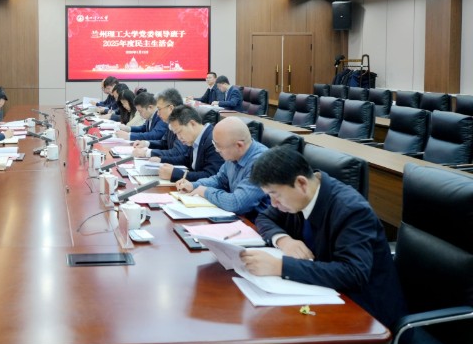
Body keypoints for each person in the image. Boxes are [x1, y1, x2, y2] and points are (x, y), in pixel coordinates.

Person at [241, 146, 407, 330]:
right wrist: (284, 240)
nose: (273, 203)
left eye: (275, 195)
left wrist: (279, 266)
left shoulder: (351, 210)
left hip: (367, 312)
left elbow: (353, 273)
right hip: (324, 292)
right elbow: (264, 217)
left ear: (301, 183)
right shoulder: (298, 198)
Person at [174, 116, 269, 219]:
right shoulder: (233, 155)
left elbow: (237, 203)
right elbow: (219, 180)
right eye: (214, 144)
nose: (216, 150)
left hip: (254, 224)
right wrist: (194, 185)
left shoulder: (261, 163)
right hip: (236, 218)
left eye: (219, 146)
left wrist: (205, 191)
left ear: (239, 145)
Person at [156, 105, 224, 183]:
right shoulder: (196, 138)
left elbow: (210, 176)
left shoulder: (213, 140)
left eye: (179, 132)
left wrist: (176, 174)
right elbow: (186, 160)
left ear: (192, 124)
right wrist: (161, 160)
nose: (179, 138)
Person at [131, 88, 188, 163]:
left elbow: (177, 152)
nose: (157, 113)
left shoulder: (184, 123)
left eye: (159, 109)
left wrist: (147, 153)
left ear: (171, 108)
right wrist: (146, 143)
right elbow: (164, 143)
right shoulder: (171, 122)